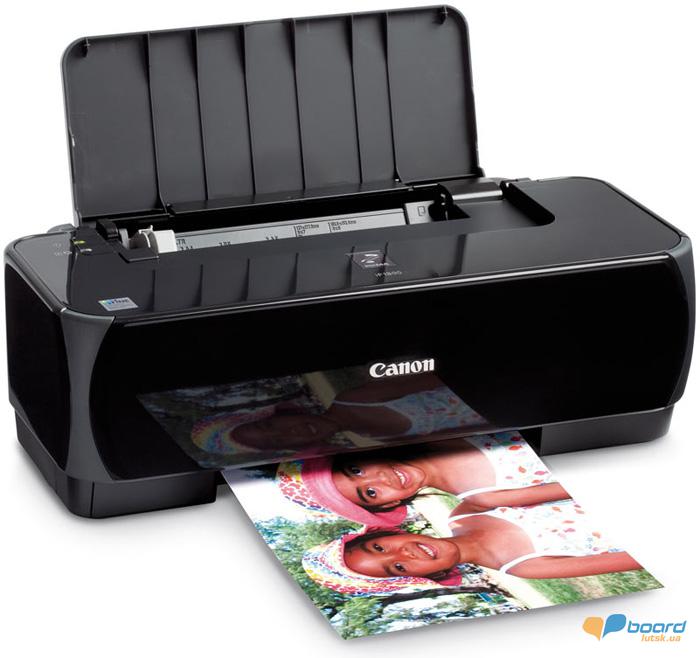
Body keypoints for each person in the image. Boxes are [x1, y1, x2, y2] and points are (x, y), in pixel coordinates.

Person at [302, 502, 642, 595]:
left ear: (392, 531)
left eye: (379, 547)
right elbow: (633, 558)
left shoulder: (466, 511)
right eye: (398, 568)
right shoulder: (526, 566)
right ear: (436, 575)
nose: (403, 554)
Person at [277, 433, 570, 526]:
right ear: (389, 505)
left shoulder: (435, 428)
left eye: (356, 469)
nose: (381, 480)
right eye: (370, 493)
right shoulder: (486, 496)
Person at [193, 372, 486, 455]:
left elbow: (435, 378)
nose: (289, 431)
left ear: (278, 414)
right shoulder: (373, 440)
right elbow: (460, 435)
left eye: (271, 426)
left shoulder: (355, 400)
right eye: (276, 441)